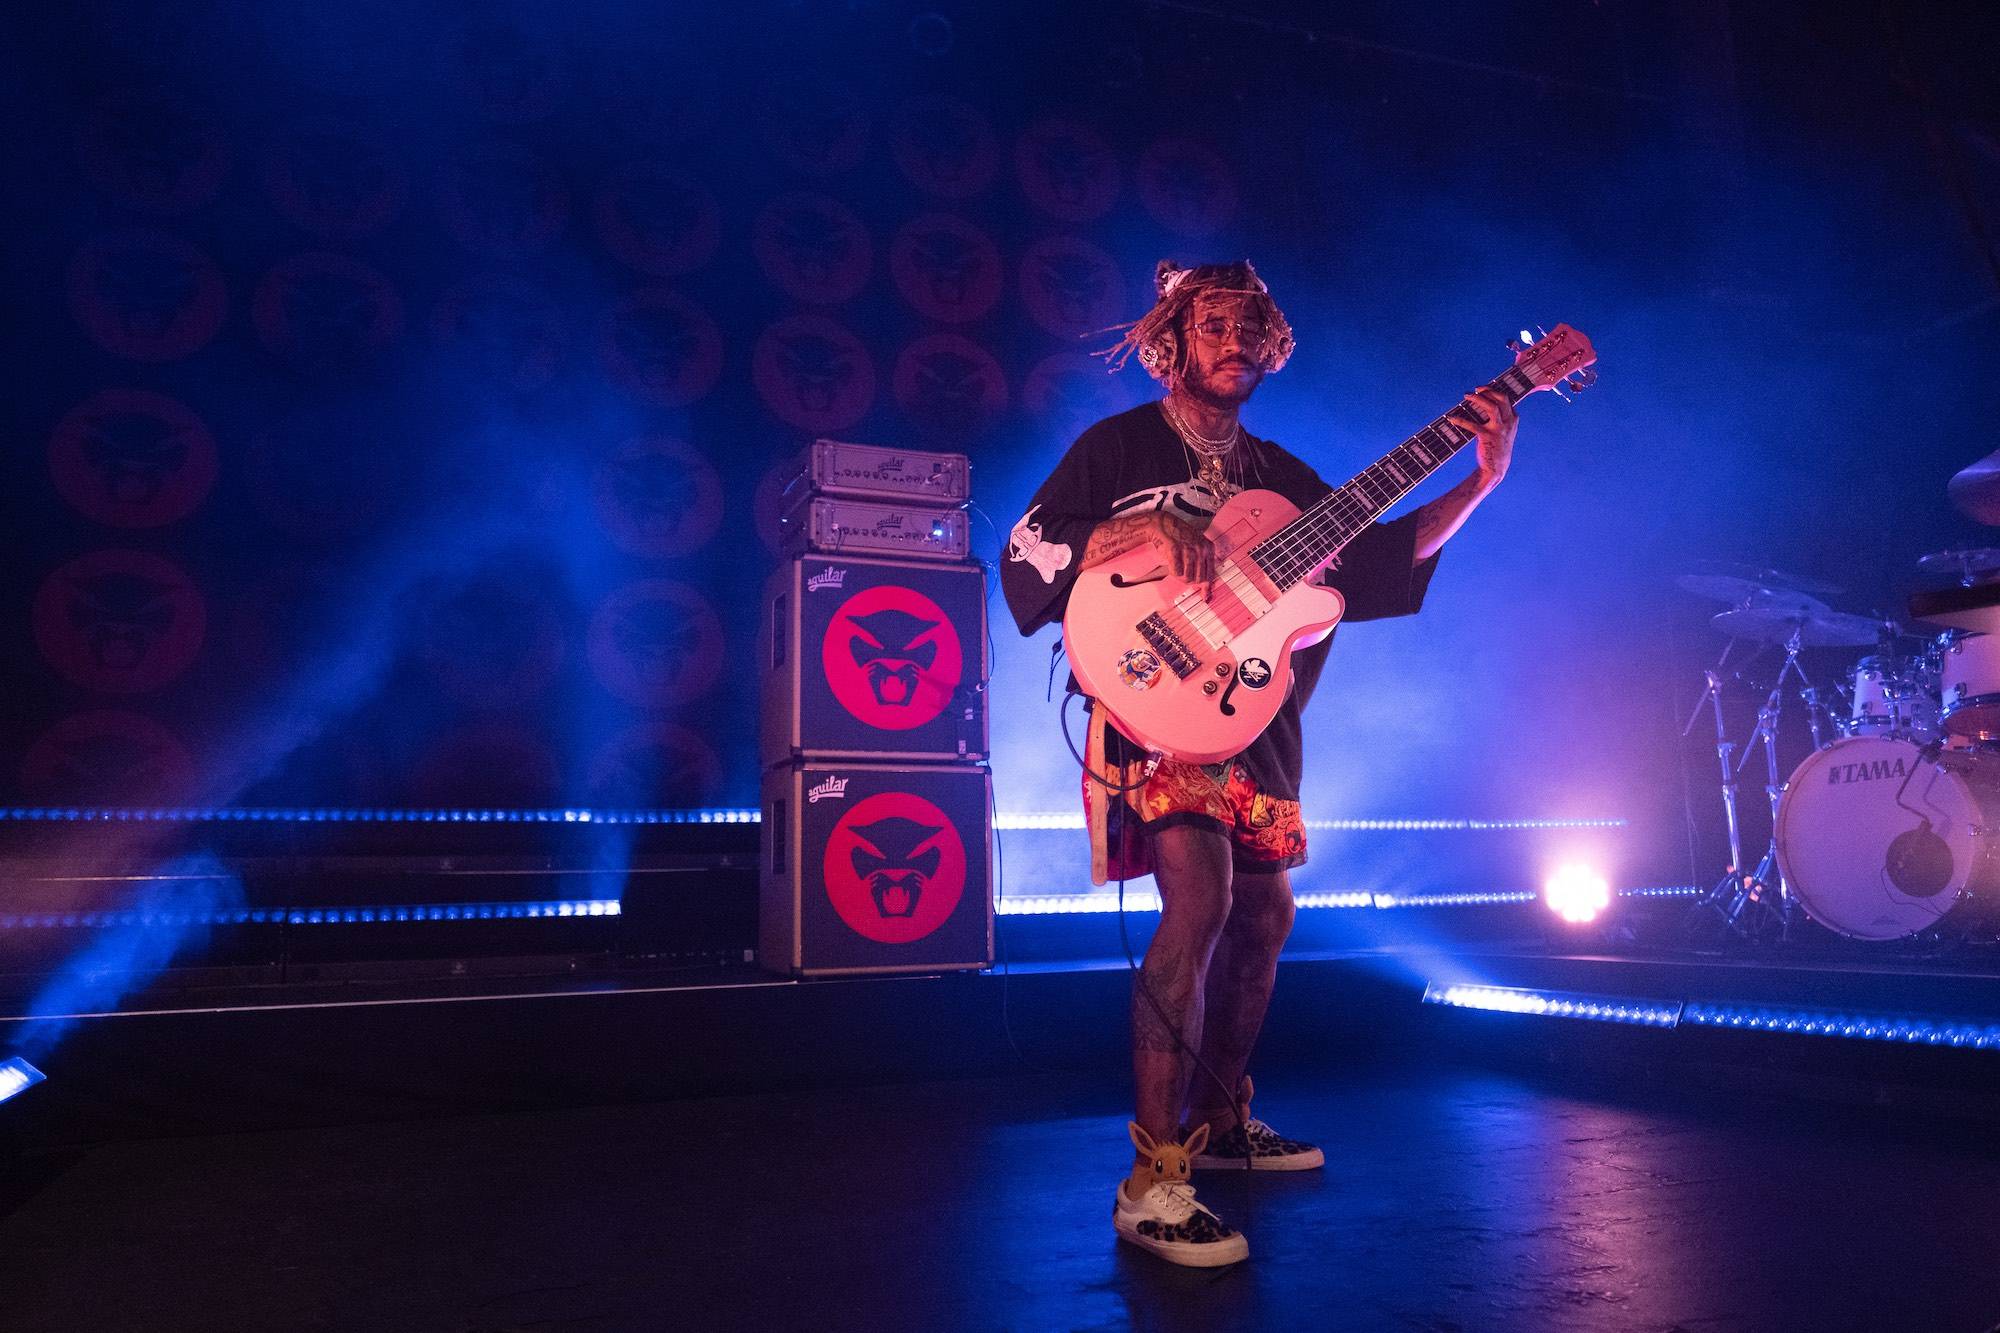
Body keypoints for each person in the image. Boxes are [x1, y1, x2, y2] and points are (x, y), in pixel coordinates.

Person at [1000, 259, 1518, 1268]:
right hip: (1148, 700)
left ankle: (1221, 1120)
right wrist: (1141, 521)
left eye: (1251, 329)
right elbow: (1030, 545)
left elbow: (1373, 565)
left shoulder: (1283, 475)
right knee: (1194, 902)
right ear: (1173, 340)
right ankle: (1151, 1178)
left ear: (1273, 346)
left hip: (1253, 713)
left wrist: (1479, 481)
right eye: (1213, 327)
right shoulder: (1117, 446)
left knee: (1267, 916)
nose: (1233, 344)